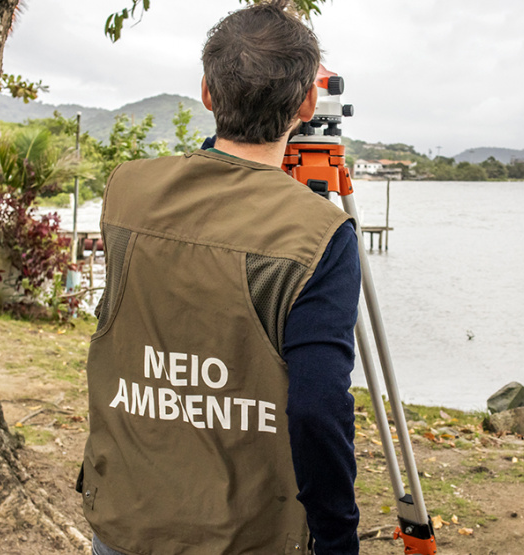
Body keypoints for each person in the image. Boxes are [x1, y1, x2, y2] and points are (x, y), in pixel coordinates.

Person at [76, 1, 361, 553]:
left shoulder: (126, 190)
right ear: (308, 103)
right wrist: (336, 539)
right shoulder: (318, 233)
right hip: (245, 536)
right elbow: (317, 409)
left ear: (207, 93)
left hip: (123, 519)